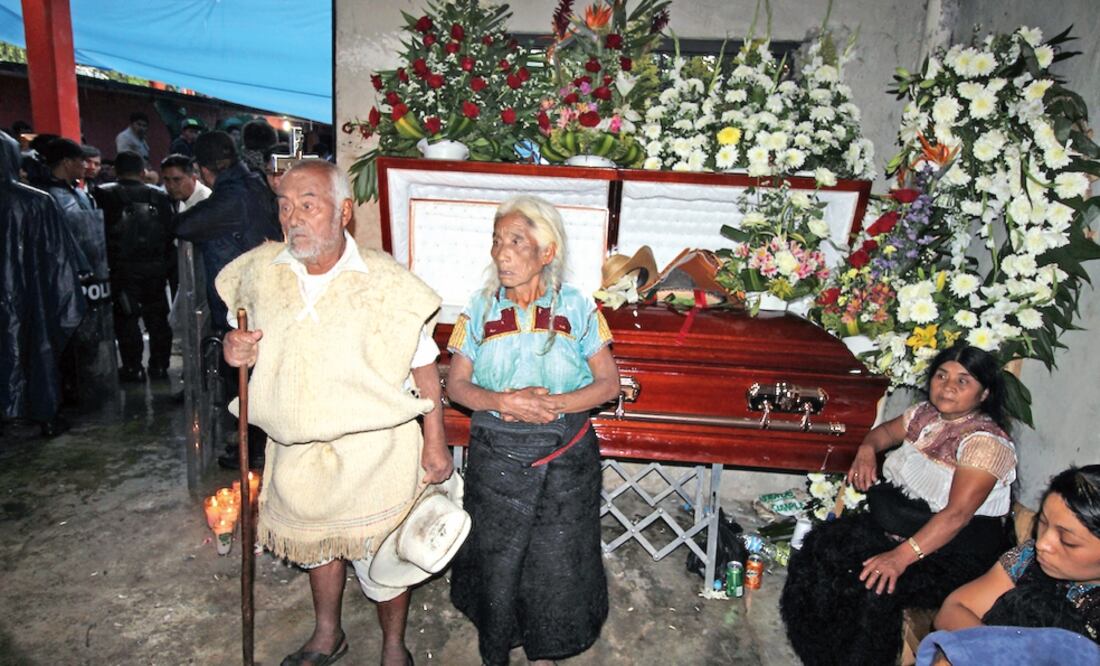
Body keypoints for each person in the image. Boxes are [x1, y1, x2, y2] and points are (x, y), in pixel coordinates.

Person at [219, 159, 453, 666]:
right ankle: (328, 635)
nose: (293, 218)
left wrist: (436, 443)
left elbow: (424, 365)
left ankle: (393, 646)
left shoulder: (388, 283)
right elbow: (243, 343)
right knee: (318, 549)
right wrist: (233, 349)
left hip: (377, 450)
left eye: (308, 204)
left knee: (384, 558)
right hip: (297, 450)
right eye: (284, 206)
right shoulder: (259, 274)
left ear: (344, 211)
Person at [445, 195, 619, 666]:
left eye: (516, 242)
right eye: (497, 242)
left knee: (556, 560)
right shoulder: (479, 308)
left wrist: (552, 405)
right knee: (498, 562)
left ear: (547, 251)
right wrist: (505, 401)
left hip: (565, 455)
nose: (502, 253)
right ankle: (501, 641)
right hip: (496, 456)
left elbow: (609, 383)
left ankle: (549, 647)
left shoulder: (579, 306)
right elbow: (457, 386)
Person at [781, 344, 1017, 666]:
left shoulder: (984, 443)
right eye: (941, 375)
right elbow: (881, 435)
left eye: (963, 381)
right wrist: (866, 450)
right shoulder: (925, 416)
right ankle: (820, 656)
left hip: (953, 551)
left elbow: (957, 516)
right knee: (820, 547)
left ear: (984, 394)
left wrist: (900, 557)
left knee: (872, 584)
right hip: (904, 526)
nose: (947, 385)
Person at [175, 130, 281, 468]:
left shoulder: (233, 195)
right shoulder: (252, 185)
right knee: (251, 379)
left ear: (204, 171)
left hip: (244, 303)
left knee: (244, 381)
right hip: (258, 296)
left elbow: (184, 226)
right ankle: (254, 447)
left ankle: (254, 451)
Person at [933, 464, 1100, 642]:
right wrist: (1000, 653)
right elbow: (952, 610)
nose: (1042, 544)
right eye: (1042, 522)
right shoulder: (1028, 558)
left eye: (1067, 541)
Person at [0, 130, 86, 437]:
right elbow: (60, 261)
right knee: (40, 351)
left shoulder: (37, 201)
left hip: (22, 296)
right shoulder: (36, 202)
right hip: (33, 298)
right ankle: (45, 415)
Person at [94, 150, 176, 381]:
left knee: (127, 319)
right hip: (156, 267)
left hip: (121, 268)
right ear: (143, 172)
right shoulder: (158, 196)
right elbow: (170, 232)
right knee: (158, 318)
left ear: (115, 171)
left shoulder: (103, 194)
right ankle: (159, 365)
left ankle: (133, 367)